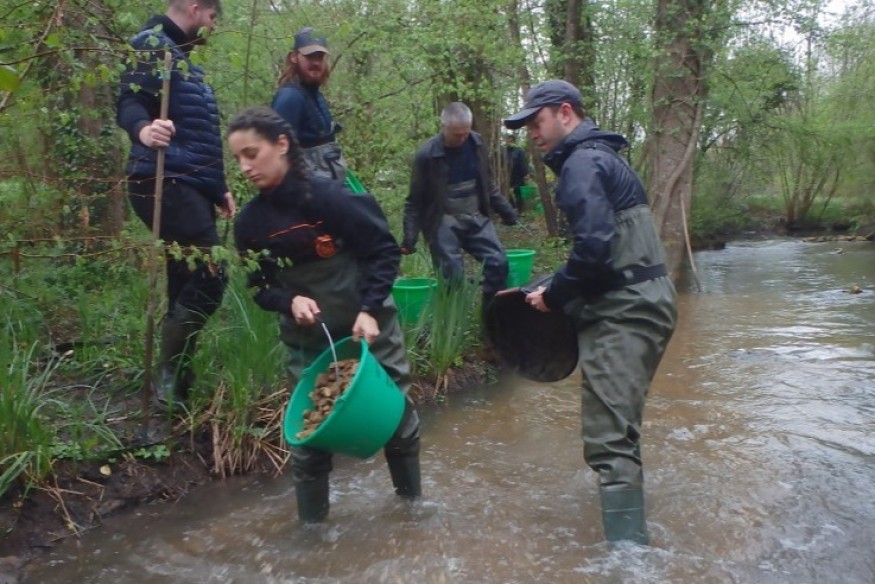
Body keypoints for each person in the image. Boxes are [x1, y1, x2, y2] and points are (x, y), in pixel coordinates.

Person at [504, 79, 677, 544]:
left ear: (565, 113)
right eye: (525, 128)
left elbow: (596, 249)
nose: (531, 135)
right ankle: (630, 528)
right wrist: (555, 284)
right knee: (620, 425)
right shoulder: (602, 157)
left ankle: (629, 563)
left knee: (607, 436)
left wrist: (554, 296)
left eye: (536, 123)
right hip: (641, 299)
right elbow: (606, 249)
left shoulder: (582, 163)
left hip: (627, 310)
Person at [228, 106, 421, 523]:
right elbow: (260, 287)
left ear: (281, 145)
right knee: (307, 437)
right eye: (237, 159)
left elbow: (384, 251)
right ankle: (312, 534)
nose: (244, 167)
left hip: (370, 328)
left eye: (251, 153)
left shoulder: (329, 197)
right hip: (309, 341)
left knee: (397, 417)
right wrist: (288, 301)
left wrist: (370, 310)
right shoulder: (249, 224)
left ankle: (412, 511)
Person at [116, 0, 234, 410]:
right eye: (214, 18)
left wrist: (218, 189)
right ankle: (167, 373)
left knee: (186, 280)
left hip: (191, 185)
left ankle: (177, 379)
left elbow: (201, 137)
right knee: (212, 276)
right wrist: (144, 130)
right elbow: (129, 102)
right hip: (163, 180)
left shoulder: (183, 60)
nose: (214, 27)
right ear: (196, 8)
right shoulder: (153, 44)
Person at [402, 102, 518, 310]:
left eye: (466, 133)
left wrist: (507, 211)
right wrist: (409, 238)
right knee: (452, 275)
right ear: (443, 127)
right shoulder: (427, 155)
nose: (462, 138)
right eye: (457, 135)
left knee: (498, 263)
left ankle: (493, 318)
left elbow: (487, 184)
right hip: (443, 220)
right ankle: (452, 325)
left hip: (476, 215)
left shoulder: (477, 144)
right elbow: (415, 200)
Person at [271, 27, 348, 182]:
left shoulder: (314, 94)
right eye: (309, 56)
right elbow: (276, 155)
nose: (316, 62)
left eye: (320, 57)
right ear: (294, 57)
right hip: (306, 197)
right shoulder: (290, 98)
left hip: (327, 193)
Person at [504, 134, 530, 212]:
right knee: (506, 191)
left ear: (514, 141)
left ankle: (520, 210)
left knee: (518, 192)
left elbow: (523, 162)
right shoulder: (504, 151)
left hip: (518, 175)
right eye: (508, 140)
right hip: (507, 175)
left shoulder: (519, 150)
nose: (509, 142)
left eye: (511, 140)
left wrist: (526, 173)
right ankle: (512, 207)